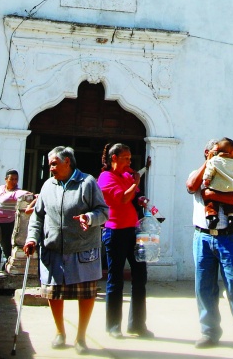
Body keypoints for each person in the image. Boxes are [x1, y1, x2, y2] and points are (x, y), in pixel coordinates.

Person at [23, 146, 108, 355]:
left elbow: (103, 211)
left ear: (67, 162)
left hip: (83, 248)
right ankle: (60, 332)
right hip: (53, 248)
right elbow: (38, 216)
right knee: (53, 293)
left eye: (54, 163)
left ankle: (80, 336)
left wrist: (89, 218)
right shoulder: (47, 186)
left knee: (86, 294)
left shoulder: (87, 183)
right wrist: (32, 238)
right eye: (50, 163)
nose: (50, 167)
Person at [186, 139, 233, 353]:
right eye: (218, 152)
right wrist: (207, 164)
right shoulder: (199, 172)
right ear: (207, 152)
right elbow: (191, 186)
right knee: (204, 288)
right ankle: (209, 332)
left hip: (230, 237)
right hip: (203, 237)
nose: (223, 157)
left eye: (226, 153)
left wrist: (212, 194)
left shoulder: (232, 171)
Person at [98, 143, 153, 339]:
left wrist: (140, 198)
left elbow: (133, 197)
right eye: (126, 158)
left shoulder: (128, 176)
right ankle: (113, 325)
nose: (130, 162)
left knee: (140, 277)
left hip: (134, 230)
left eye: (130, 159)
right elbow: (121, 198)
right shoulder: (106, 178)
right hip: (115, 232)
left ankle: (137, 325)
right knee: (116, 278)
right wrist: (135, 184)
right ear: (114, 158)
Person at [0, 169, 29, 272]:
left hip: (6, 225)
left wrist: (34, 196)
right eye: (11, 179)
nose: (14, 181)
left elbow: (25, 194)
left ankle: (4, 272)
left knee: (6, 251)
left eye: (16, 179)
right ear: (6, 179)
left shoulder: (16, 192)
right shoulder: (0, 189)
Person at [202, 137, 233, 230]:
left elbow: (209, 171)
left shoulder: (214, 161)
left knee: (211, 202)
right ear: (231, 152)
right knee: (229, 203)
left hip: (216, 187)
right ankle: (231, 217)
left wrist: (206, 180)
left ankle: (213, 216)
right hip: (231, 188)